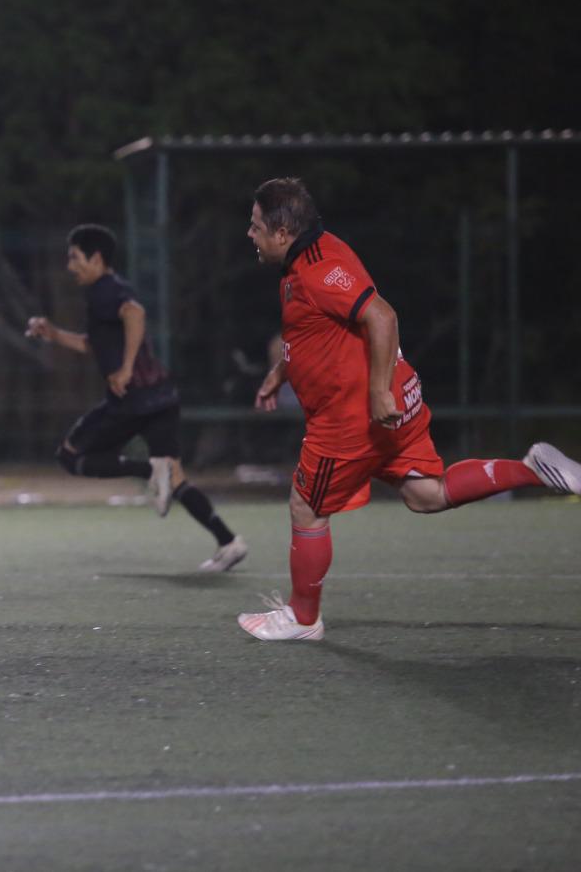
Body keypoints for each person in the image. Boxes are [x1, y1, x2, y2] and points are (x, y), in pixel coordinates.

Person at [239, 177, 581, 641]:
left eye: (256, 226)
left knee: (306, 507)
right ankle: (533, 470)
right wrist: (282, 372)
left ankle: (303, 619)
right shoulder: (311, 259)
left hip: (354, 419)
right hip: (393, 407)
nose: (249, 234)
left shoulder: (317, 272)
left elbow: (382, 316)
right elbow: (320, 333)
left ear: (282, 234)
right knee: (427, 494)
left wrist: (379, 391)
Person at [26, 224, 246, 573]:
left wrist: (127, 368)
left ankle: (148, 470)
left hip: (132, 401)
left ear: (96, 258)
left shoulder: (105, 289)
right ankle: (229, 542)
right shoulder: (106, 291)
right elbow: (90, 344)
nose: (70, 266)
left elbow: (135, 313)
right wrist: (53, 334)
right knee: (175, 478)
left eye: (74, 258)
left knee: (70, 455)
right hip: (161, 397)